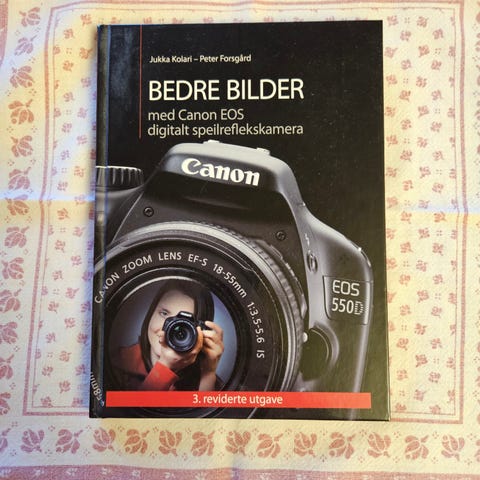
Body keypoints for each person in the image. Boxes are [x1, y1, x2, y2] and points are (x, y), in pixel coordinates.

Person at [113, 279, 224, 391]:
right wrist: (164, 367)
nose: (168, 328)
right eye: (164, 313)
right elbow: (134, 404)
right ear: (151, 313)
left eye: (183, 322)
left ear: (202, 332)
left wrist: (208, 374)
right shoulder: (117, 365)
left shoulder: (211, 382)